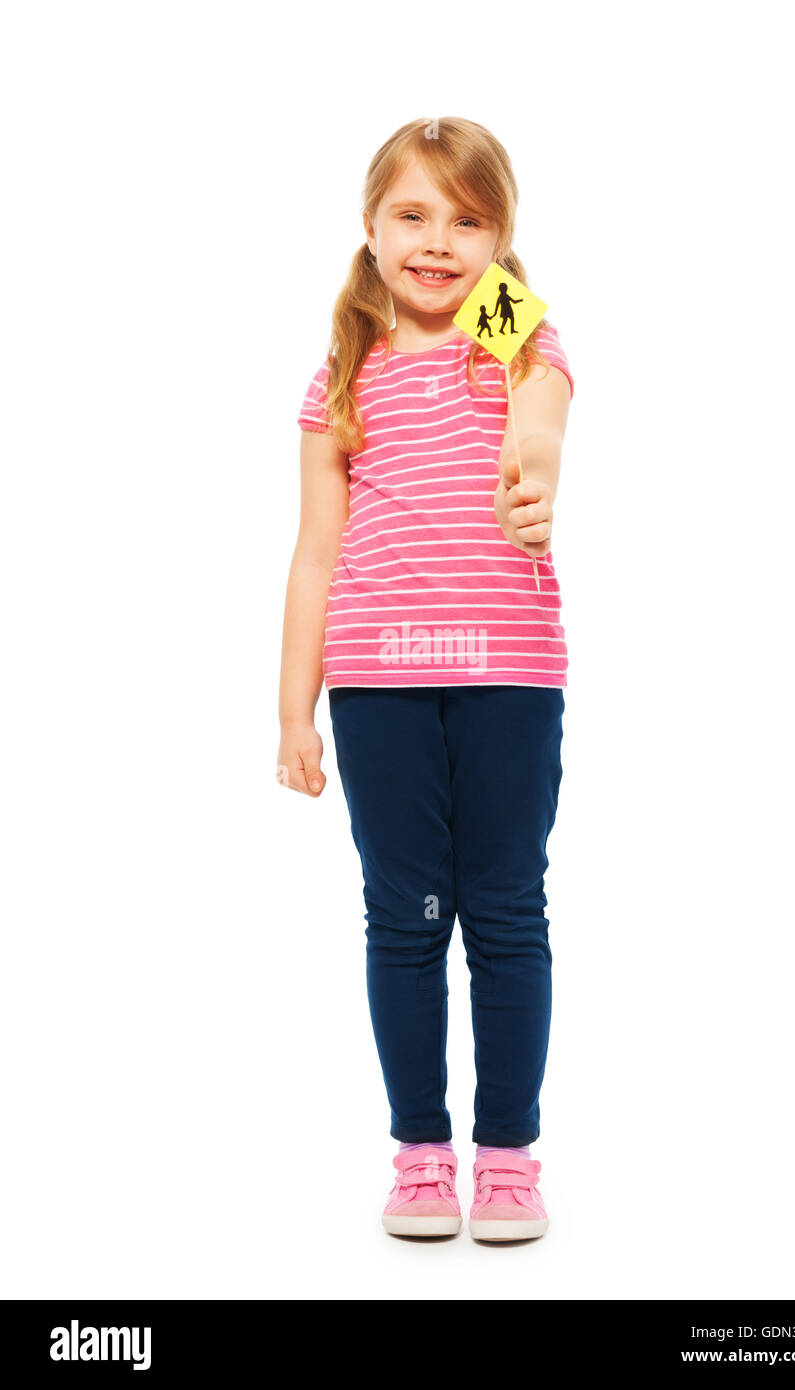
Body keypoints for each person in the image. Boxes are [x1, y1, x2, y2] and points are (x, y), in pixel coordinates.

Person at [277, 117, 573, 1241]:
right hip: (375, 685)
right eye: (412, 214)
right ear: (370, 225)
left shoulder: (505, 327)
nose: (437, 241)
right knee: (404, 917)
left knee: (503, 909)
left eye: (466, 218)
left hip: (509, 671)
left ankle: (505, 1156)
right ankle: (417, 1152)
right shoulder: (341, 372)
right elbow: (314, 548)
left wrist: (530, 472)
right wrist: (291, 704)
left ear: (499, 239)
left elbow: (543, 405)